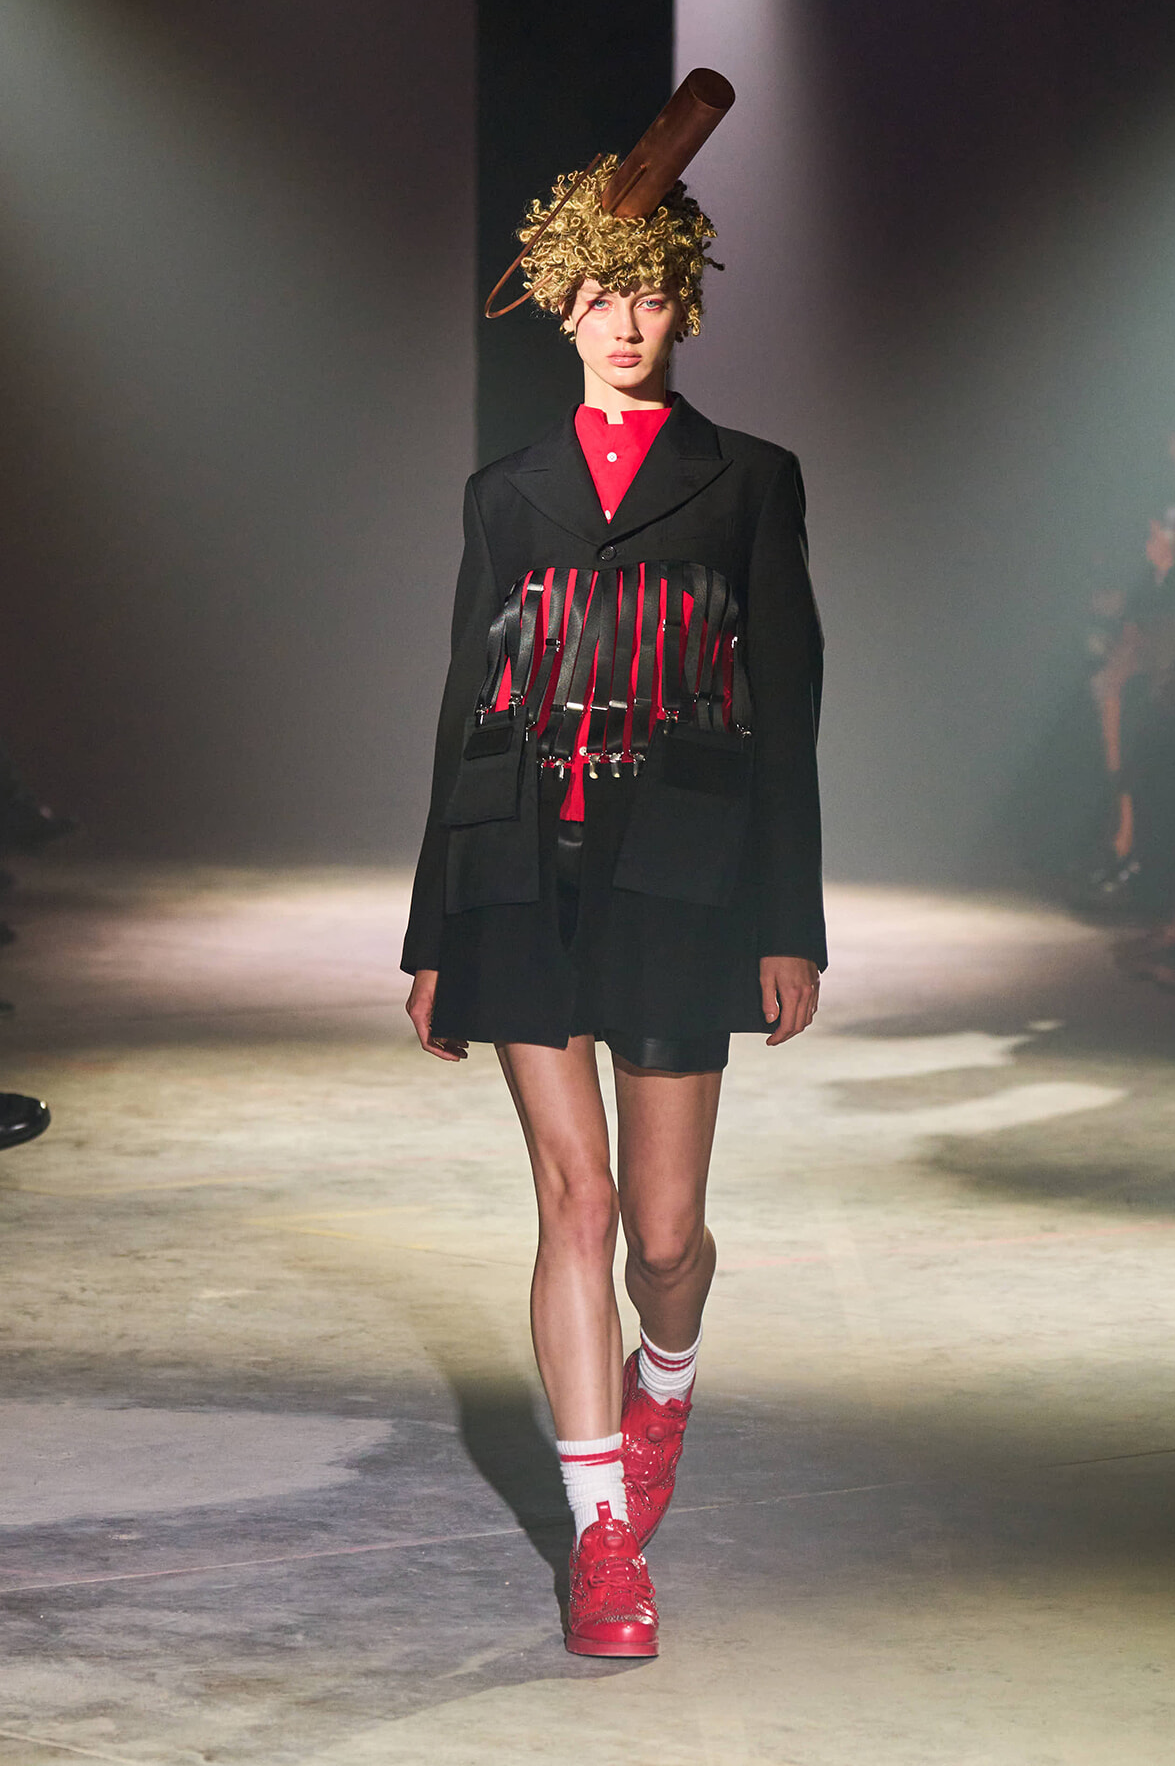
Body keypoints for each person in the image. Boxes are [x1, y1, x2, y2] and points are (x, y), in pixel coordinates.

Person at [401, 148, 825, 1657]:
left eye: (649, 294)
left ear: (684, 310)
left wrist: (792, 924)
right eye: (599, 295)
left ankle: (671, 1366)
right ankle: (602, 1544)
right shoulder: (503, 493)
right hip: (522, 866)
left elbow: (786, 709)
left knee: (659, 1231)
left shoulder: (750, 481)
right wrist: (432, 934)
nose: (625, 320)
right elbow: (468, 703)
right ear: (562, 313)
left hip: (686, 872)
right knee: (570, 1204)